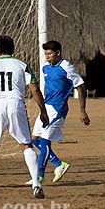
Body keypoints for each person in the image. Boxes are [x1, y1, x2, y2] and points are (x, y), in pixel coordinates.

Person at [0, 35, 49, 199]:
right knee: (26, 144)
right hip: (16, 104)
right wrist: (43, 111)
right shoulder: (22, 65)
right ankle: (36, 184)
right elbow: (35, 89)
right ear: (13, 50)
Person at [25, 40, 90, 185]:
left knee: (45, 140)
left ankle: (39, 176)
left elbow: (80, 86)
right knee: (34, 139)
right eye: (46, 54)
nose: (47, 56)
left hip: (58, 109)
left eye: (50, 53)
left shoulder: (67, 67)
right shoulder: (45, 68)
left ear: (58, 52)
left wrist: (82, 110)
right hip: (46, 108)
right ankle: (59, 165)